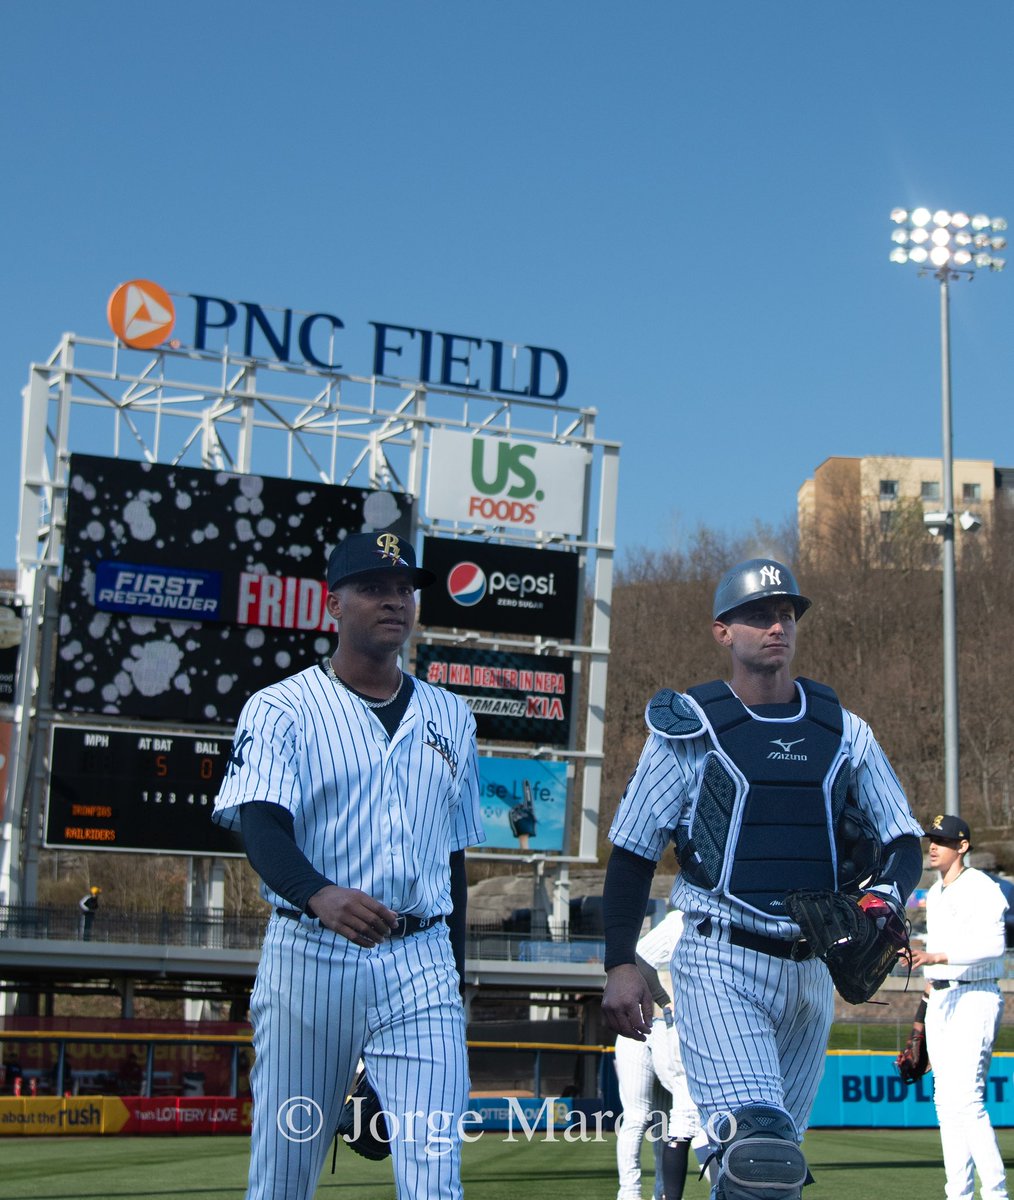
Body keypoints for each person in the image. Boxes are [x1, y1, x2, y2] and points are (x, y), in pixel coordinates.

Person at [601, 558, 923, 1200]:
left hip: (812, 968)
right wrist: (619, 962)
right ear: (724, 631)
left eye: (785, 614)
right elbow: (633, 853)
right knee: (760, 1156)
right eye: (757, 615)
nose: (775, 626)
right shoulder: (687, 730)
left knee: (769, 1170)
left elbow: (903, 837)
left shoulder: (844, 730)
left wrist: (886, 893)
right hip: (722, 959)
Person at [213, 530, 484, 1200]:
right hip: (311, 955)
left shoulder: (452, 715)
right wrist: (318, 894)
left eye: (403, 589)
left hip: (423, 963)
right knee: (284, 1174)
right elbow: (261, 824)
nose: (393, 601)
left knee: (435, 1177)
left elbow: (452, 861)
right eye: (373, 587)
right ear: (332, 604)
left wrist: (456, 970)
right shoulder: (281, 707)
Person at [910, 814, 1009, 1200]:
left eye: (943, 840)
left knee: (967, 1098)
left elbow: (994, 947)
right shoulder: (935, 892)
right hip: (941, 998)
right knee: (945, 1103)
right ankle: (959, 1194)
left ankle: (997, 1193)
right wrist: (921, 1014)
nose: (933, 846)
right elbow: (933, 964)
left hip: (975, 994)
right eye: (931, 840)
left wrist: (937, 956)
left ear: (962, 846)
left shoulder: (981, 887)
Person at [614, 908, 707, 1200]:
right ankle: (629, 1193)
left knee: (670, 1119)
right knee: (637, 1116)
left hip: (673, 1034)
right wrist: (665, 1000)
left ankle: (662, 1193)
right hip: (641, 1025)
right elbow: (640, 958)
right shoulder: (678, 921)